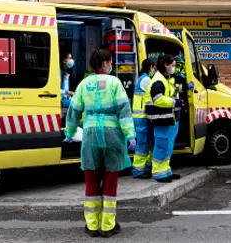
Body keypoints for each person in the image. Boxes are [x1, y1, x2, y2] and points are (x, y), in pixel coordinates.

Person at [64, 49, 136, 238]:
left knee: (91, 182)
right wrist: (130, 136)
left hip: (90, 136)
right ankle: (107, 226)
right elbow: (124, 110)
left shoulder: (83, 84)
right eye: (110, 62)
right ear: (105, 64)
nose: (111, 65)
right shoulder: (114, 83)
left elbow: (74, 112)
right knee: (110, 182)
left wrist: (70, 133)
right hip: (113, 136)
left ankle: (92, 225)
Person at [146, 54, 182, 183]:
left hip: (167, 118)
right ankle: (158, 173)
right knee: (161, 145)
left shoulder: (166, 79)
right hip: (161, 118)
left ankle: (166, 170)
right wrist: (174, 102)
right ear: (165, 65)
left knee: (167, 145)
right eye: (172, 65)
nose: (174, 67)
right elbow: (158, 99)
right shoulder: (158, 80)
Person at [132, 59, 155, 179]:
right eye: (153, 67)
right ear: (150, 67)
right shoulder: (146, 80)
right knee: (142, 144)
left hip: (142, 117)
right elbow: (154, 95)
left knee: (146, 144)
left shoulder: (142, 78)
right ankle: (138, 170)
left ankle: (145, 167)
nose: (154, 70)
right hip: (142, 117)